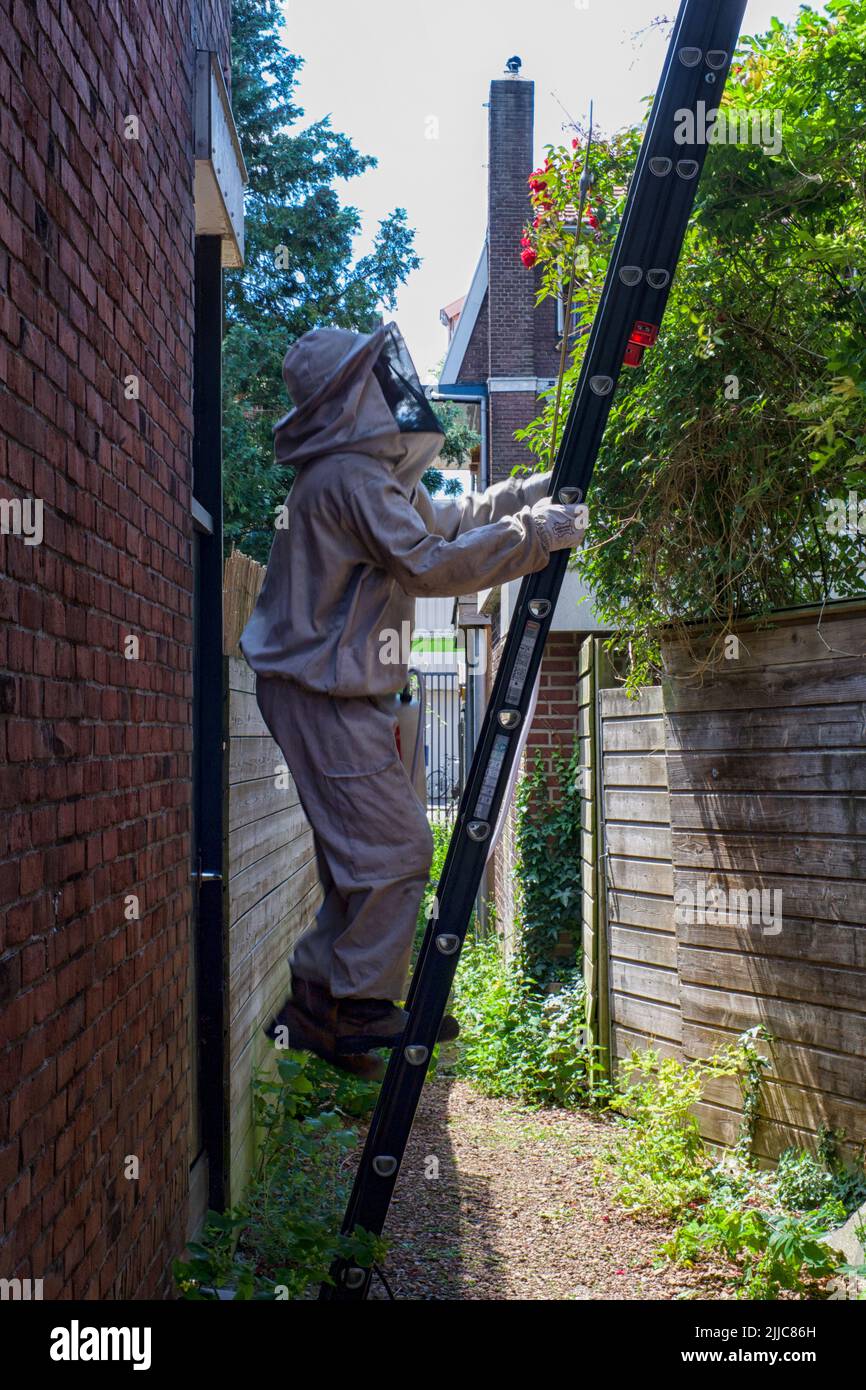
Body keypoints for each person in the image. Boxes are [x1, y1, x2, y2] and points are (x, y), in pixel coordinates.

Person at [240, 323, 585, 1077]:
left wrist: (534, 494)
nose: (394, 389)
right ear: (348, 398)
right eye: (375, 379)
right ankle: (357, 1009)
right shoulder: (349, 481)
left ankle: (321, 1003)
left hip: (333, 686)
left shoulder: (375, 479)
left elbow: (453, 521)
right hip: (320, 688)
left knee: (360, 861)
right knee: (396, 851)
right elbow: (431, 565)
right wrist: (536, 538)